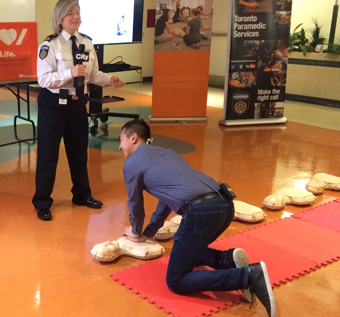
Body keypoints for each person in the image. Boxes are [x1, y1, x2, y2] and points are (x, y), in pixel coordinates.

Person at [118, 119, 276, 317]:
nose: (119, 146)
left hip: (201, 212)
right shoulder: (167, 153)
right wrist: (149, 232)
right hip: (224, 205)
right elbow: (166, 200)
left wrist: (136, 231)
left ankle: (247, 276)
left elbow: (135, 204)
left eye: (121, 139)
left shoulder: (131, 163)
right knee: (183, 248)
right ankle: (226, 259)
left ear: (133, 137)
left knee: (176, 280)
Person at [33, 0, 125, 221]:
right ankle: (42, 202)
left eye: (78, 12)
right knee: (48, 156)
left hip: (76, 106)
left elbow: (92, 75)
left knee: (79, 154)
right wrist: (69, 73)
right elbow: (44, 79)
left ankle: (82, 195)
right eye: (70, 13)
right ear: (59, 18)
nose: (76, 17)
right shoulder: (49, 45)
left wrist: (109, 79)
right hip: (53, 106)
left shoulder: (87, 43)